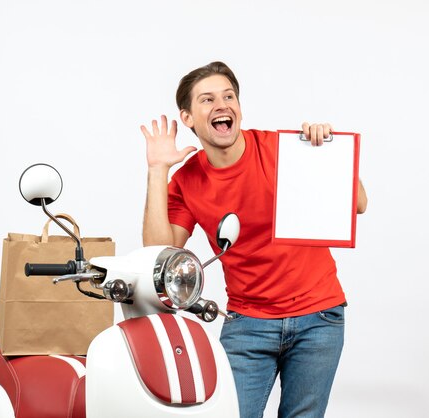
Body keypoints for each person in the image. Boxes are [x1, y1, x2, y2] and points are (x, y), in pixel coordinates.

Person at [140, 61, 367, 418]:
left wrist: (324, 153)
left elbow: (358, 203)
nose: (222, 105)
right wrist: (157, 171)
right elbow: (160, 253)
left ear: (239, 108)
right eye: (208, 99)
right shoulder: (187, 180)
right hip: (248, 323)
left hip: (317, 317)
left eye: (229, 96)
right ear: (188, 118)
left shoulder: (281, 148)